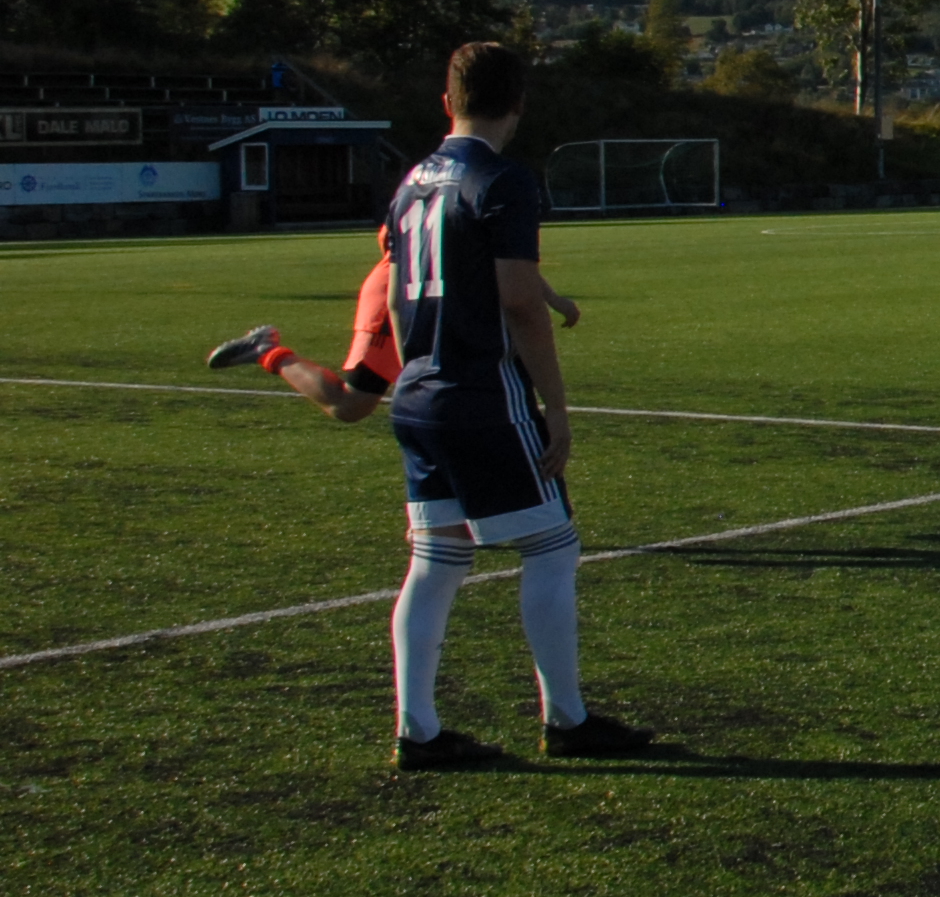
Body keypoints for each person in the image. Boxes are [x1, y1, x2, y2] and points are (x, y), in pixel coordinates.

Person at [374, 41, 651, 772]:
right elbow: (518, 301)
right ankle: (567, 719)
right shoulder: (503, 179)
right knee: (552, 547)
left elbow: (407, 287)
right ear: (520, 105)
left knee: (436, 560)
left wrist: (421, 366)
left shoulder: (412, 181)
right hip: (481, 396)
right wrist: (555, 406)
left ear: (447, 101)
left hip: (419, 392)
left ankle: (418, 729)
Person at [212, 239, 577, 420]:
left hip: (439, 295)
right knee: (350, 405)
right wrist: (554, 300)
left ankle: (443, 511)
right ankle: (267, 351)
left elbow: (503, 257)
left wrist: (554, 298)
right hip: (402, 292)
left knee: (458, 401)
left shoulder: (466, 180)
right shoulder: (441, 185)